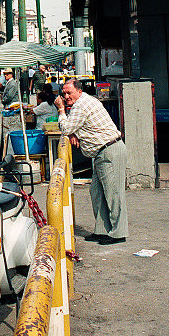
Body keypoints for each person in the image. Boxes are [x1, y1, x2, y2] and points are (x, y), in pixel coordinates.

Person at [55, 78, 128, 245]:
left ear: (79, 91)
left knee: (113, 194)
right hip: (101, 152)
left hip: (109, 150)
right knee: (97, 193)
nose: (66, 96)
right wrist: (75, 133)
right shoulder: (83, 101)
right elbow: (76, 127)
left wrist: (61, 111)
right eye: (64, 93)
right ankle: (102, 230)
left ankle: (118, 233)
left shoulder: (80, 105)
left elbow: (66, 128)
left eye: (69, 93)